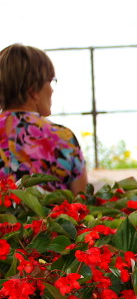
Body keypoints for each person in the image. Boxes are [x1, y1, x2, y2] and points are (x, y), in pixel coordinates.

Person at [0, 44, 88, 192]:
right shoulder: (61, 137)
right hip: (49, 215)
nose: (52, 89)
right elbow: (82, 203)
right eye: (50, 80)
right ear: (33, 89)